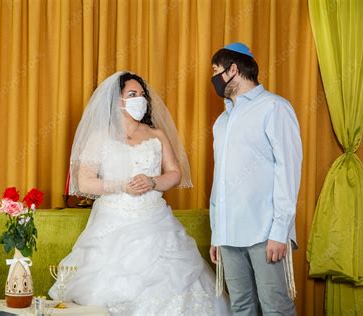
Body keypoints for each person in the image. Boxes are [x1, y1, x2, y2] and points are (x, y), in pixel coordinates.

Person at [49, 71, 231, 315]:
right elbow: (84, 182)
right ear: (116, 100)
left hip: (155, 220)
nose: (140, 99)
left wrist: (153, 181)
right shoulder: (99, 136)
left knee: (172, 281)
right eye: (132, 94)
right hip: (112, 220)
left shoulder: (156, 134)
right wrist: (120, 185)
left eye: (142, 95)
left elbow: (175, 173)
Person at [208, 43, 302, 315]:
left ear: (233, 69)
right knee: (241, 306)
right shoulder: (221, 122)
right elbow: (219, 180)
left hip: (265, 232)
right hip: (228, 234)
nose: (213, 79)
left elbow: (288, 170)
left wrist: (280, 231)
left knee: (275, 307)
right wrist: (217, 233)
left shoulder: (274, 108)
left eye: (216, 71)